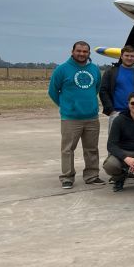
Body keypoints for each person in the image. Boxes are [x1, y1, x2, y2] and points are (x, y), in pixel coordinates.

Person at [48, 40, 104, 189]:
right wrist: (66, 106)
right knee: (68, 149)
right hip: (70, 118)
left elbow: (96, 88)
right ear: (72, 52)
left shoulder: (94, 69)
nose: (81, 54)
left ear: (89, 53)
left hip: (92, 117)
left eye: (85, 51)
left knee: (91, 148)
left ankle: (92, 175)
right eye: (78, 51)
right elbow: (53, 91)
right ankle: (67, 177)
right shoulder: (62, 69)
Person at [100, 45, 134, 131]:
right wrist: (111, 110)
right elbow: (103, 91)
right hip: (117, 113)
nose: (129, 58)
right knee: (115, 138)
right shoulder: (111, 72)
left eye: (132, 56)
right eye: (127, 55)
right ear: (121, 56)